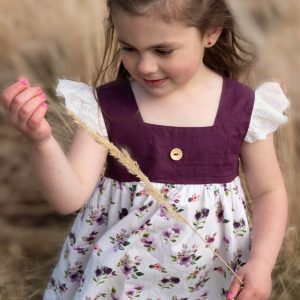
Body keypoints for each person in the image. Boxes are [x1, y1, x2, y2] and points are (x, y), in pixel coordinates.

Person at [1, 0, 290, 299]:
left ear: (211, 33)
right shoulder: (107, 107)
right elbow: (69, 198)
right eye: (129, 48)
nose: (145, 66)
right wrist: (40, 140)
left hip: (212, 279)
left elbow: (268, 192)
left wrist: (262, 263)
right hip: (116, 281)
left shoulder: (243, 109)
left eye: (163, 50)